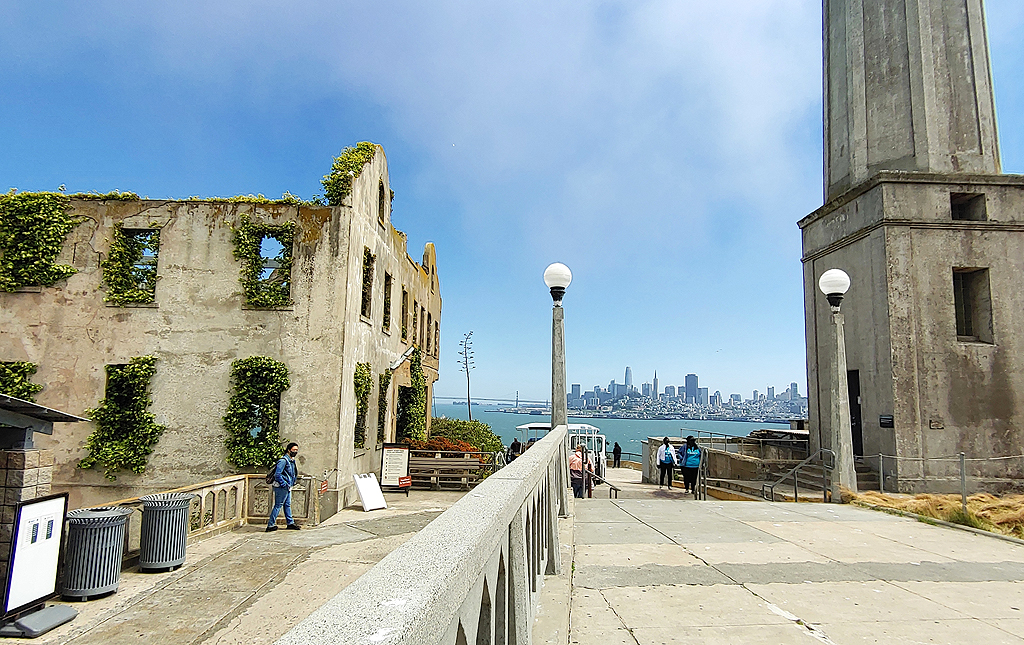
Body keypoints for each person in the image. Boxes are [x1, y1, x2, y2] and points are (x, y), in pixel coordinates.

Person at [267, 442, 300, 532]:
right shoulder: (283, 461)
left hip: (288, 486)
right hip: (282, 487)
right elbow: (278, 474)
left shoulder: (291, 461)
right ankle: (270, 525)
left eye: (296, 450)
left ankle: (290, 523)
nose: (295, 452)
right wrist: (284, 484)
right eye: (294, 450)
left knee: (287, 505)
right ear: (289, 450)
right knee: (278, 505)